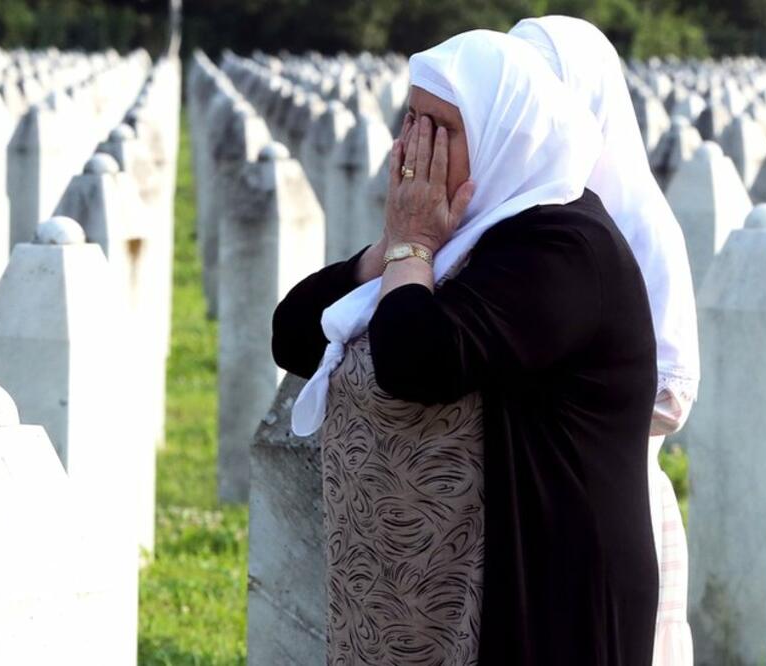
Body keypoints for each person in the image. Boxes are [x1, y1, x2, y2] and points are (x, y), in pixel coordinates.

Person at [273, 29, 660, 664]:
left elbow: (416, 362)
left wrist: (412, 244)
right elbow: (293, 334)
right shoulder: (470, 236)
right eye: (410, 121)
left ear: (501, 132)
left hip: (545, 590)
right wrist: (389, 251)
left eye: (440, 129)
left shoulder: (562, 248)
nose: (411, 152)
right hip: (440, 591)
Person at [509, 16, 699, 665]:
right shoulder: (511, 204)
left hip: (609, 493)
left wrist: (567, 403)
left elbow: (673, 389)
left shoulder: (641, 221)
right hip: (512, 493)